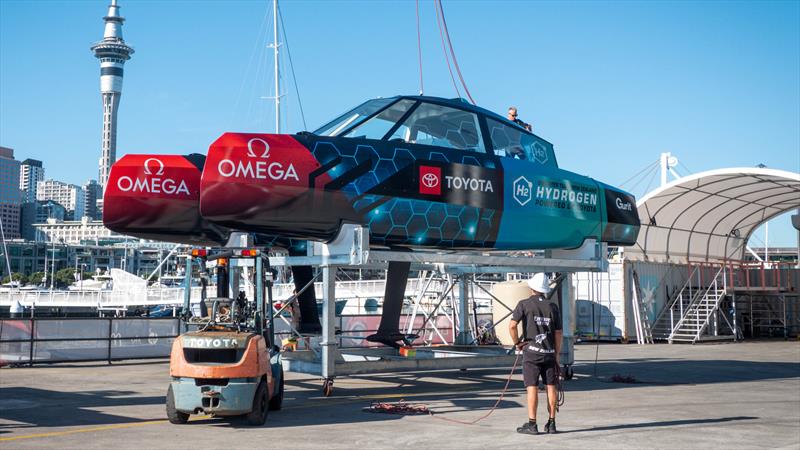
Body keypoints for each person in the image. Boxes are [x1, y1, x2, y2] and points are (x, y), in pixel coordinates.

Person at [509, 273, 562, 435]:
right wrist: (556, 354)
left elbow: (512, 326)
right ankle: (551, 423)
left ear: (532, 287)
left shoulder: (524, 304)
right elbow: (558, 333)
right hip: (549, 353)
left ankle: (532, 424)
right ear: (544, 290)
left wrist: (517, 343)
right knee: (551, 387)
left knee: (532, 387)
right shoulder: (553, 307)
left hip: (531, 353)